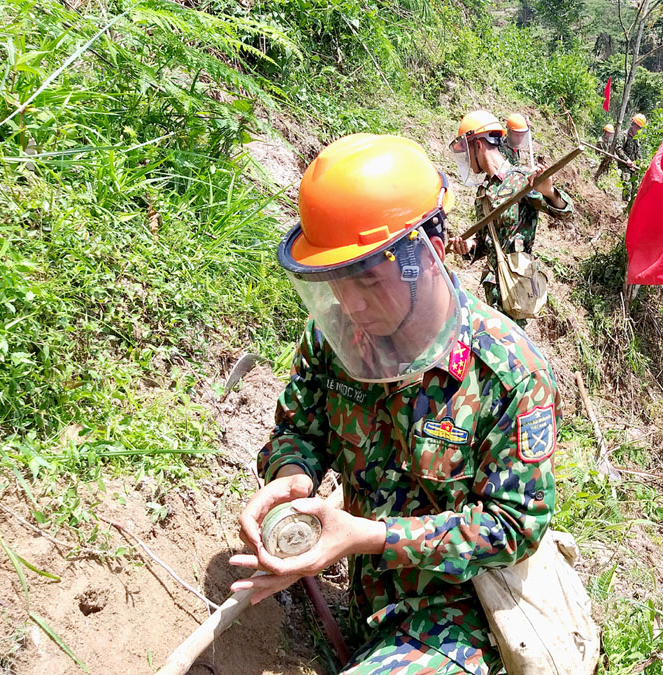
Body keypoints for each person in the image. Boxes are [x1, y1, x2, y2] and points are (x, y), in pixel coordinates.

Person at [231, 133, 560, 675]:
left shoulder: (507, 372)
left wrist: (367, 537)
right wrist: (292, 476)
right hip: (362, 588)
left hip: (454, 616)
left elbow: (515, 525)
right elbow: (299, 431)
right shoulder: (337, 338)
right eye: (335, 282)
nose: (350, 303)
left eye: (365, 279)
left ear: (423, 256)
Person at [447, 109, 573, 325]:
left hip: (517, 287)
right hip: (494, 291)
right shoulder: (483, 192)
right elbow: (487, 242)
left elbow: (565, 213)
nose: (466, 160)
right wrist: (469, 247)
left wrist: (548, 191)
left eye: (466, 151)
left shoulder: (521, 181)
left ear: (478, 145)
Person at [617, 112, 646, 203]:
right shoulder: (624, 135)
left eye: (639, 127)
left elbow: (638, 153)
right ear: (632, 124)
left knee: (636, 189)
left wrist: (640, 162)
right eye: (636, 126)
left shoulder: (637, 139)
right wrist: (627, 159)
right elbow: (618, 149)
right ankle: (624, 205)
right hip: (625, 165)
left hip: (634, 167)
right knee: (627, 187)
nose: (637, 129)